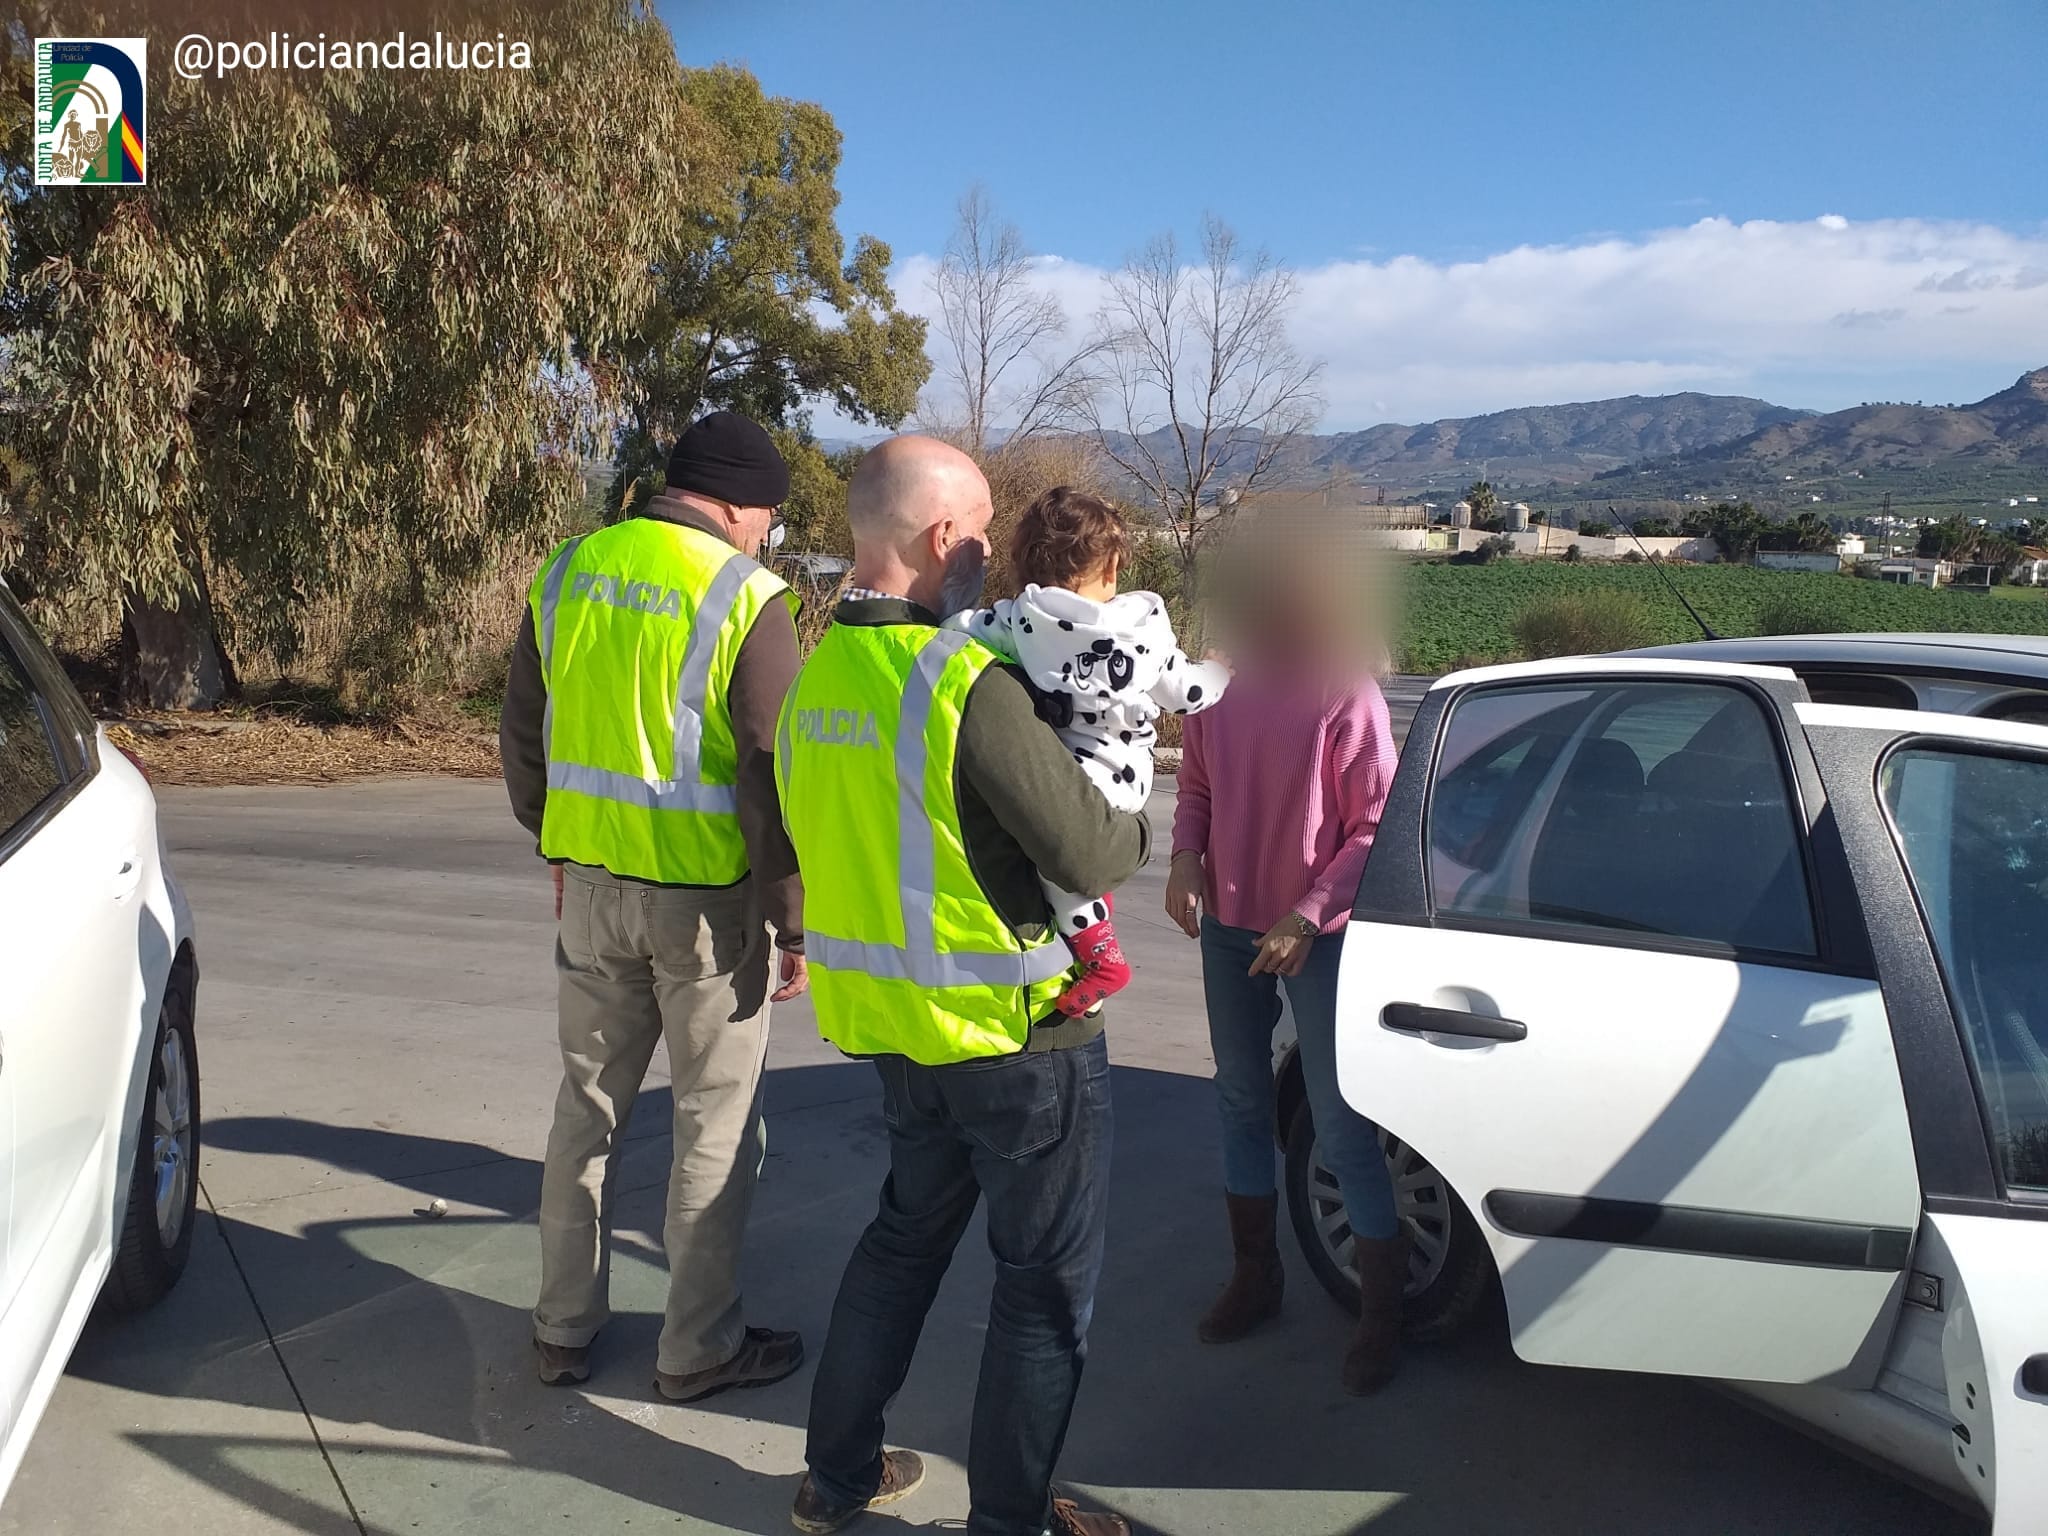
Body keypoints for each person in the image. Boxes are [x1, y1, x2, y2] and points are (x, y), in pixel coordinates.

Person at [779, 437, 1149, 1536]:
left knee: (900, 1243)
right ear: (942, 538)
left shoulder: (817, 679)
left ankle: (834, 1479)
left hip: (896, 1037)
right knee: (1040, 1291)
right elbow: (1092, 853)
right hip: (1017, 1041)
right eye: (982, 534)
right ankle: (1011, 1522)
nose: (991, 558)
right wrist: (1126, 777)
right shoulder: (960, 682)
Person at [500, 410, 810, 1403]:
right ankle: (697, 1348)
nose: (766, 531)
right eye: (765, 512)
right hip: (706, 912)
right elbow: (770, 775)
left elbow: (522, 735)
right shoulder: (746, 596)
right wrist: (793, 918)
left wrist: (559, 842)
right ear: (730, 501)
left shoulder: (567, 571)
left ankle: (560, 1329)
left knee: (585, 1113)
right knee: (713, 1123)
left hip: (589, 893)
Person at [1162, 512, 1407, 1395]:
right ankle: (1256, 1278)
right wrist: (1186, 858)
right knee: (1238, 1097)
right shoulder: (1217, 688)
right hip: (1229, 927)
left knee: (1338, 1122)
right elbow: (1193, 785)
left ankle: (1384, 1314)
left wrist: (1307, 914)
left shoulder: (1349, 694)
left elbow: (1374, 828)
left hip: (1314, 940)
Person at [945, 486, 1226, 1016]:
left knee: (1056, 858)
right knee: (1067, 857)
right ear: (1112, 569)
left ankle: (1102, 957)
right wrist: (1219, 672)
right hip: (1130, 769)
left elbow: (958, 632)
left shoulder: (1020, 622)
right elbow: (1187, 694)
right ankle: (1093, 923)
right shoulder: (1142, 629)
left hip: (1078, 773)